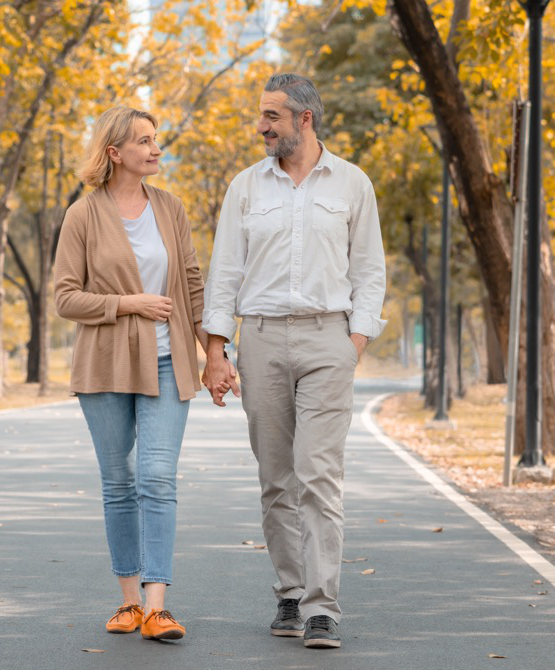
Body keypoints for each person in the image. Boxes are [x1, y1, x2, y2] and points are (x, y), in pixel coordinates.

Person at [202, 74, 386, 649]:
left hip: (328, 340)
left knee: (319, 475)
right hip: (260, 339)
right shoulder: (246, 188)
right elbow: (226, 269)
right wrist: (216, 347)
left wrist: (353, 342)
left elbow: (370, 271)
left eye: (272, 117)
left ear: (305, 119)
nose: (262, 126)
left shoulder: (353, 184)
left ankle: (322, 607)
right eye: (261, 115)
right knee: (276, 478)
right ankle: (288, 593)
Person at [54, 106, 211, 642]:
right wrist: (128, 303)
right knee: (119, 483)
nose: (156, 149)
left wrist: (215, 352)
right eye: (144, 141)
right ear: (115, 152)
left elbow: (192, 283)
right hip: (104, 367)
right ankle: (127, 603)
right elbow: (65, 298)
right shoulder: (83, 215)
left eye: (156, 140)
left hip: (169, 364)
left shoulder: (170, 208)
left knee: (157, 478)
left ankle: (158, 605)